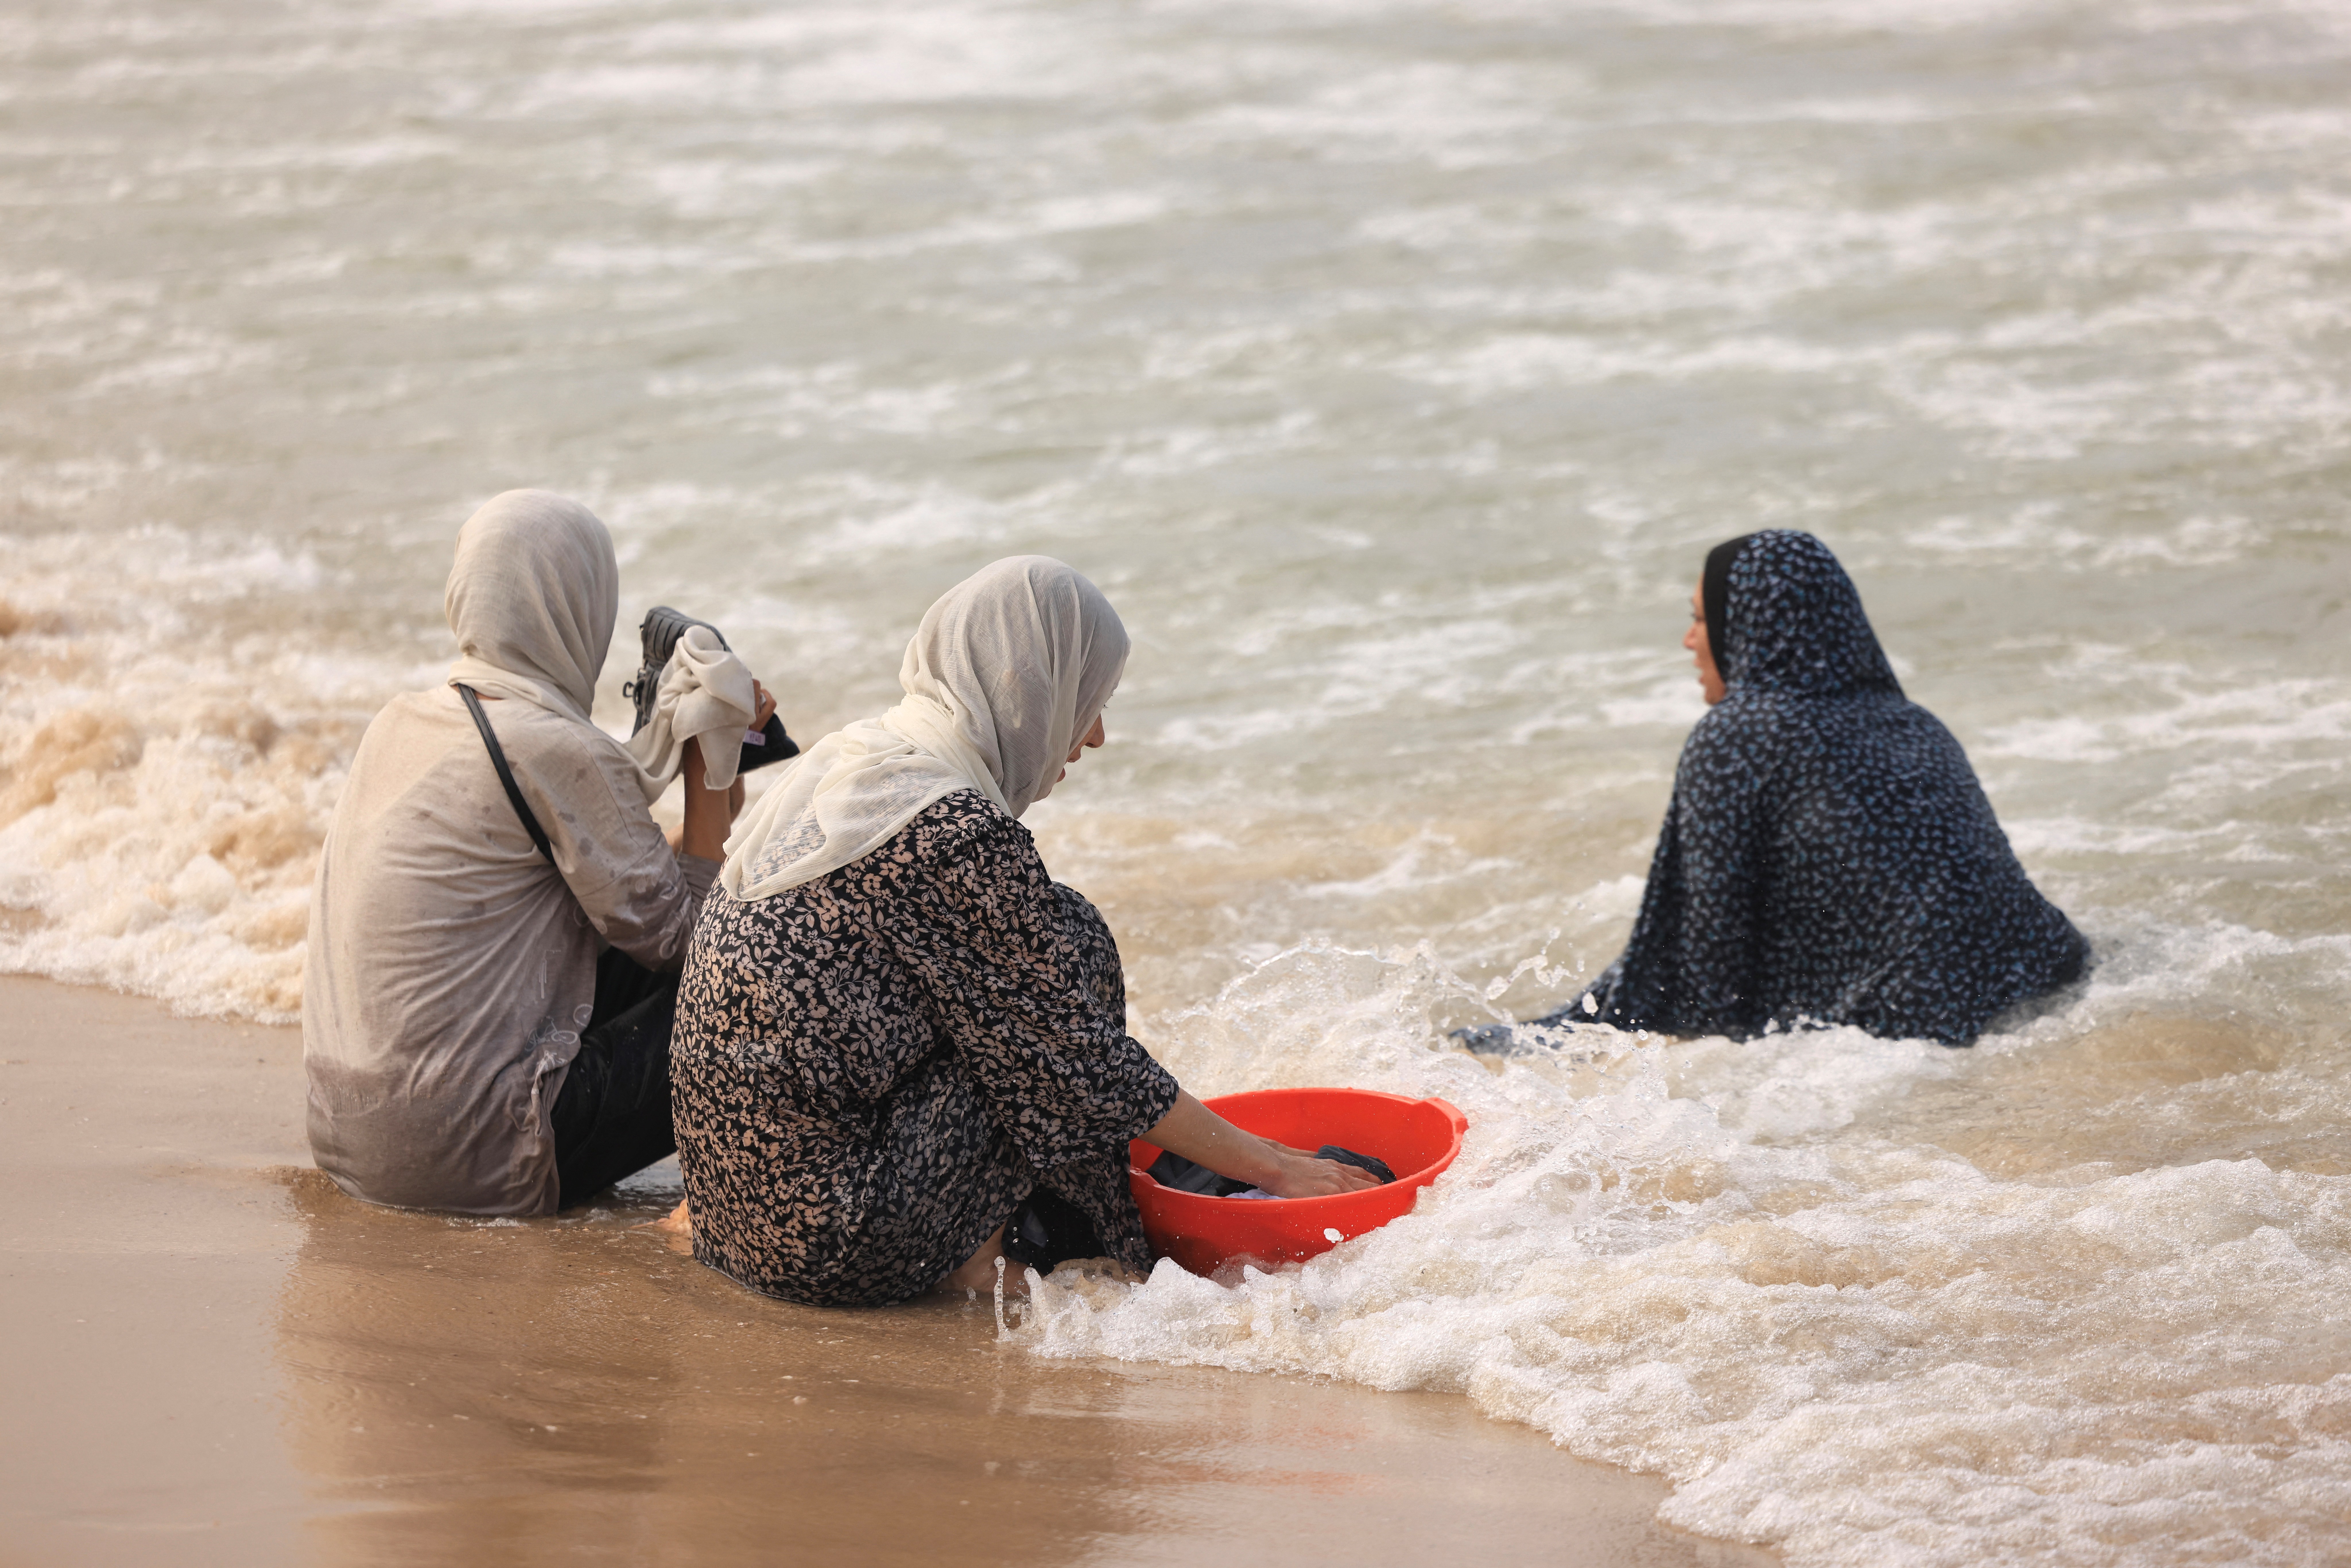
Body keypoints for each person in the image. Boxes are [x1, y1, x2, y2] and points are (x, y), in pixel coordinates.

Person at [667, 556, 1376, 1307]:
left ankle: (998, 1235)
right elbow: (1078, 1066)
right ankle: (984, 1265)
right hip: (826, 1247)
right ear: (1024, 689)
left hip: (736, 1218)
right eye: (1086, 700)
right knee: (1065, 981)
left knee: (1056, 933)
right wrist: (1277, 1168)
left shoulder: (863, 766)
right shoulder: (953, 831)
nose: (1095, 734)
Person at [302, 490, 776, 1215]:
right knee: (759, 989)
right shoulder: (554, 748)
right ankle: (760, 1214)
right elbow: (696, 943)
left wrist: (717, 762)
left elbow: (632, 894)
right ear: (578, 606)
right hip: (469, 1154)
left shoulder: (399, 722)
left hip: (347, 1133)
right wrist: (706, 760)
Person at [1506, 529, 2087, 1048]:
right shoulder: (1914, 721)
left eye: (1702, 619)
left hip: (1915, 1029)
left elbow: (1713, 951)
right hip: (2046, 974)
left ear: (1747, 625)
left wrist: (1686, 1063)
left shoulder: (1740, 733)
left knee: (1503, 1047)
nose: (1689, 641)